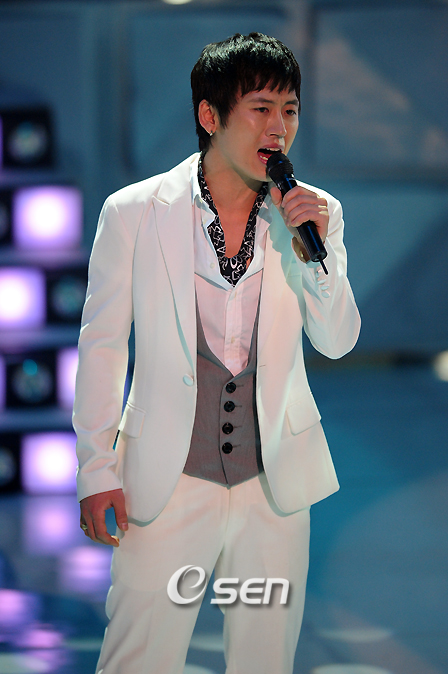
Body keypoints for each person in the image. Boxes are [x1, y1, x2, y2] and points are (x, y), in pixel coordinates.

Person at [73, 32, 360, 674]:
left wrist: (315, 256)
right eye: (261, 108)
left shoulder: (314, 214)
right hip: (166, 479)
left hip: (274, 486)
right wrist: (96, 469)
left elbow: (338, 340)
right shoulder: (134, 212)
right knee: (137, 659)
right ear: (210, 115)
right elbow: (102, 345)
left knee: (265, 660)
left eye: (290, 110)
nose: (278, 127)